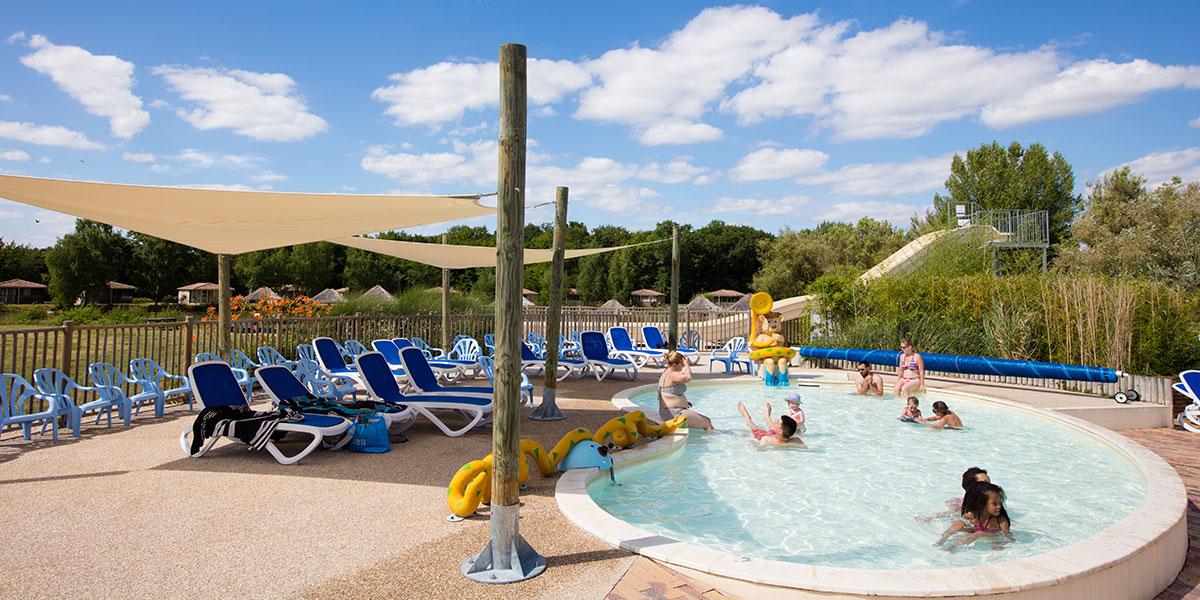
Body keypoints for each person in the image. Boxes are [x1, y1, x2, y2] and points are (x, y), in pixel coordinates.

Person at [933, 481, 1014, 551]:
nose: (999, 506)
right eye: (995, 504)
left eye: (1000, 503)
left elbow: (1008, 536)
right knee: (959, 523)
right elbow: (964, 520)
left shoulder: (1001, 520)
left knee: (979, 533)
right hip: (973, 529)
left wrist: (1002, 543)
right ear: (982, 504)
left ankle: (953, 547)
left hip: (990, 534)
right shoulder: (973, 514)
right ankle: (942, 540)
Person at [658, 350, 713, 431]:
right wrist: (687, 364)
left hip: (669, 411)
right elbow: (688, 377)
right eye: (682, 365)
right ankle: (711, 439)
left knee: (706, 421)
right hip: (674, 413)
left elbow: (669, 394)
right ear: (674, 365)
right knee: (707, 422)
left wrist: (684, 402)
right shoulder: (672, 374)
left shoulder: (666, 373)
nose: (682, 367)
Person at [917, 467, 990, 521]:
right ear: (971, 486)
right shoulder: (961, 506)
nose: (990, 485)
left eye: (989, 482)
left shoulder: (993, 501)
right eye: (984, 483)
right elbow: (949, 514)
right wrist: (930, 518)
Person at [737, 401, 804, 447]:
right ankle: (767, 416)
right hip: (777, 435)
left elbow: (758, 449)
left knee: (754, 427)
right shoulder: (796, 441)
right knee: (773, 427)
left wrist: (752, 442)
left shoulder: (766, 440)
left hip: (765, 435)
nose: (775, 421)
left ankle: (747, 417)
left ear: (780, 431)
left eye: (777, 422)